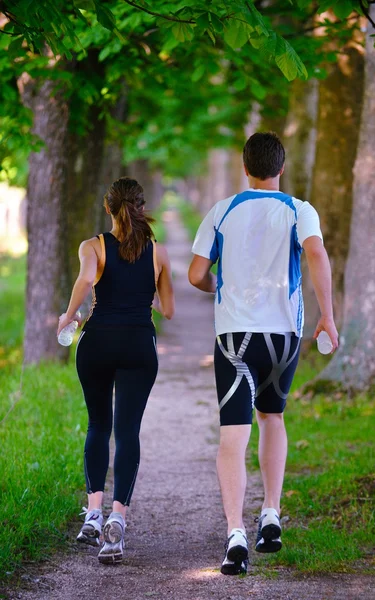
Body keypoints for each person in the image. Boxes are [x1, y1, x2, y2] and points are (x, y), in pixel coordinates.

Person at [188, 132, 338, 576]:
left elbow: (197, 273)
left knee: (233, 434)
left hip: (236, 337)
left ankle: (236, 534)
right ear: (282, 167)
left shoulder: (223, 210)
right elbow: (316, 253)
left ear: (244, 166)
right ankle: (270, 513)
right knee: (273, 417)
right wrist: (327, 315)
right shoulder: (299, 210)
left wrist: (220, 286)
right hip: (284, 337)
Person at [57, 177, 174, 564]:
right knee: (127, 432)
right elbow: (169, 310)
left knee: (98, 426)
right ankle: (117, 522)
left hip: (97, 344)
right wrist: (147, 299)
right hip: (139, 345)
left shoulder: (92, 246)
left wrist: (69, 315)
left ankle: (92, 512)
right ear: (140, 207)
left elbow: (86, 279)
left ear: (108, 208)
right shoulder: (158, 252)